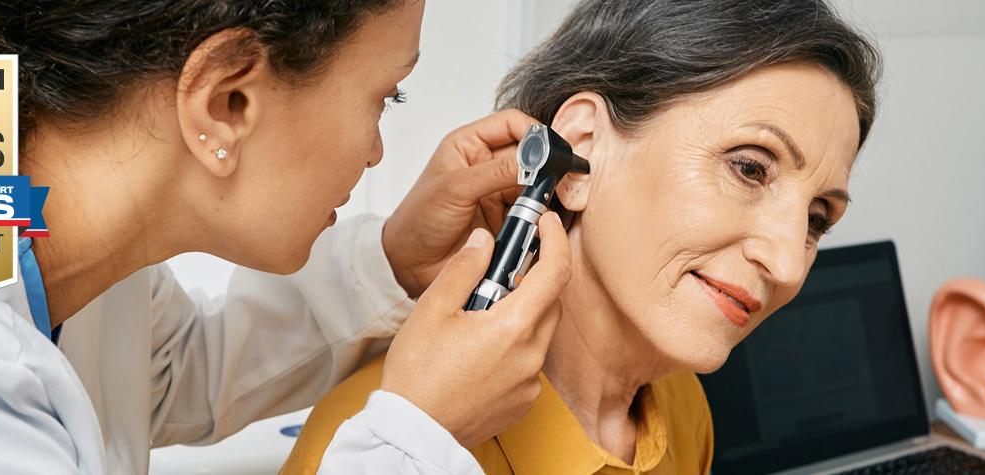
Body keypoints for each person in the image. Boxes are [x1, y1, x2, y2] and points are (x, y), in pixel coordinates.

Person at [0, 0, 569, 472]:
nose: (378, 146)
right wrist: (414, 436)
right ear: (226, 99)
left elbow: (158, 372)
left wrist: (391, 260)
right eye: (387, 97)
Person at [282, 0, 881, 473]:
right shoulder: (384, 440)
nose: (786, 263)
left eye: (816, 219)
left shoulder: (682, 410)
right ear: (583, 152)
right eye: (749, 167)